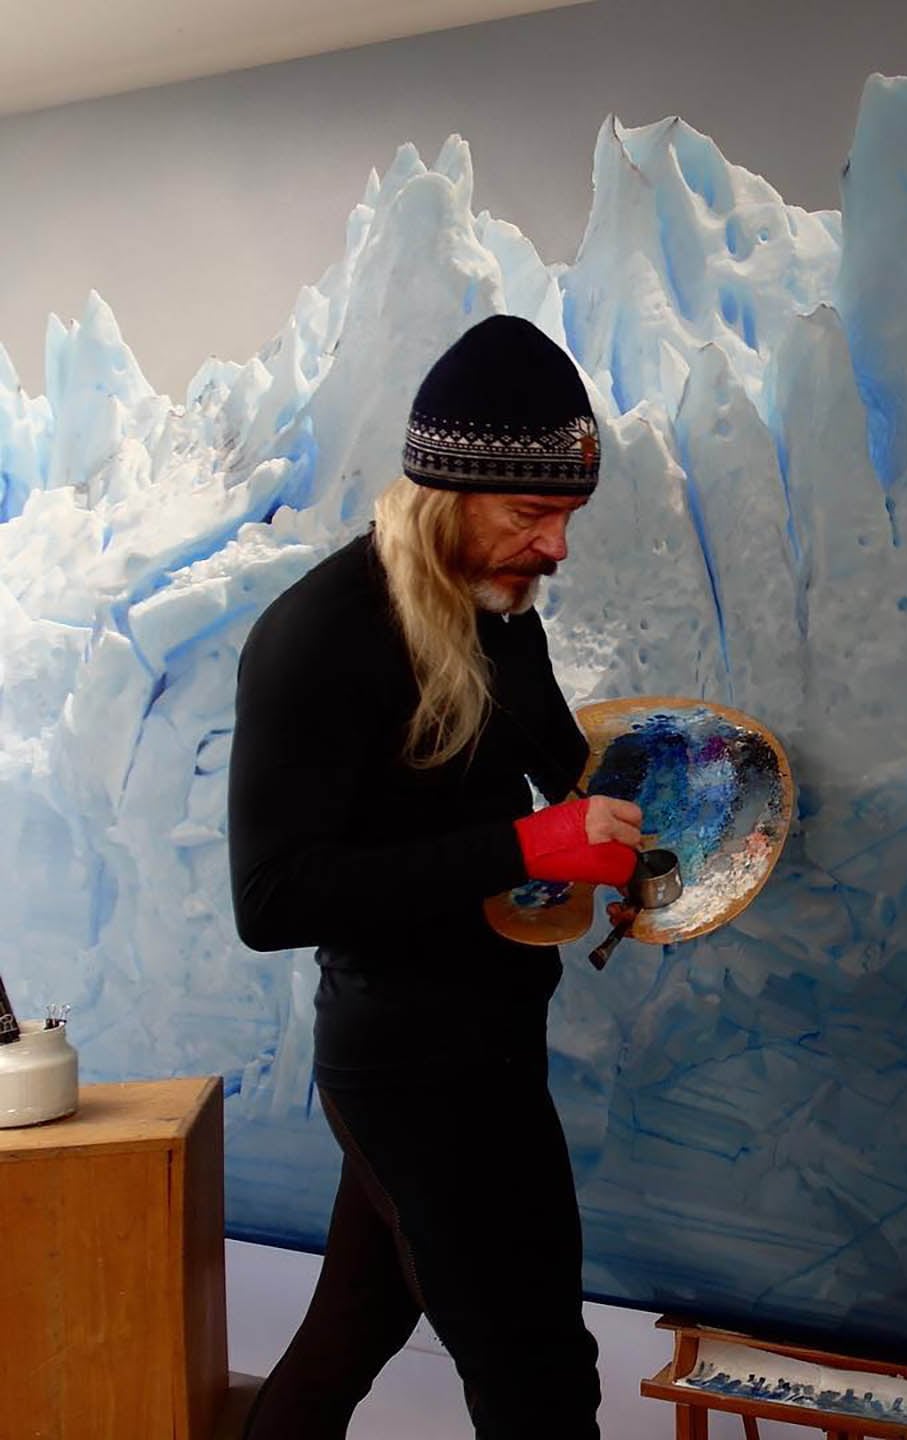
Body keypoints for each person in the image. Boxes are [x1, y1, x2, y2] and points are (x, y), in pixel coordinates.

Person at [227, 314, 642, 1439]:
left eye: (567, 516)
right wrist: (528, 848)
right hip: (410, 1066)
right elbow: (273, 901)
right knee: (537, 1373)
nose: (555, 547)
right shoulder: (318, 636)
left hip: (492, 1039)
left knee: (350, 1332)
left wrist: (677, 804)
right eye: (532, 513)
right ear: (450, 493)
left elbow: (563, 763)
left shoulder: (498, 613)